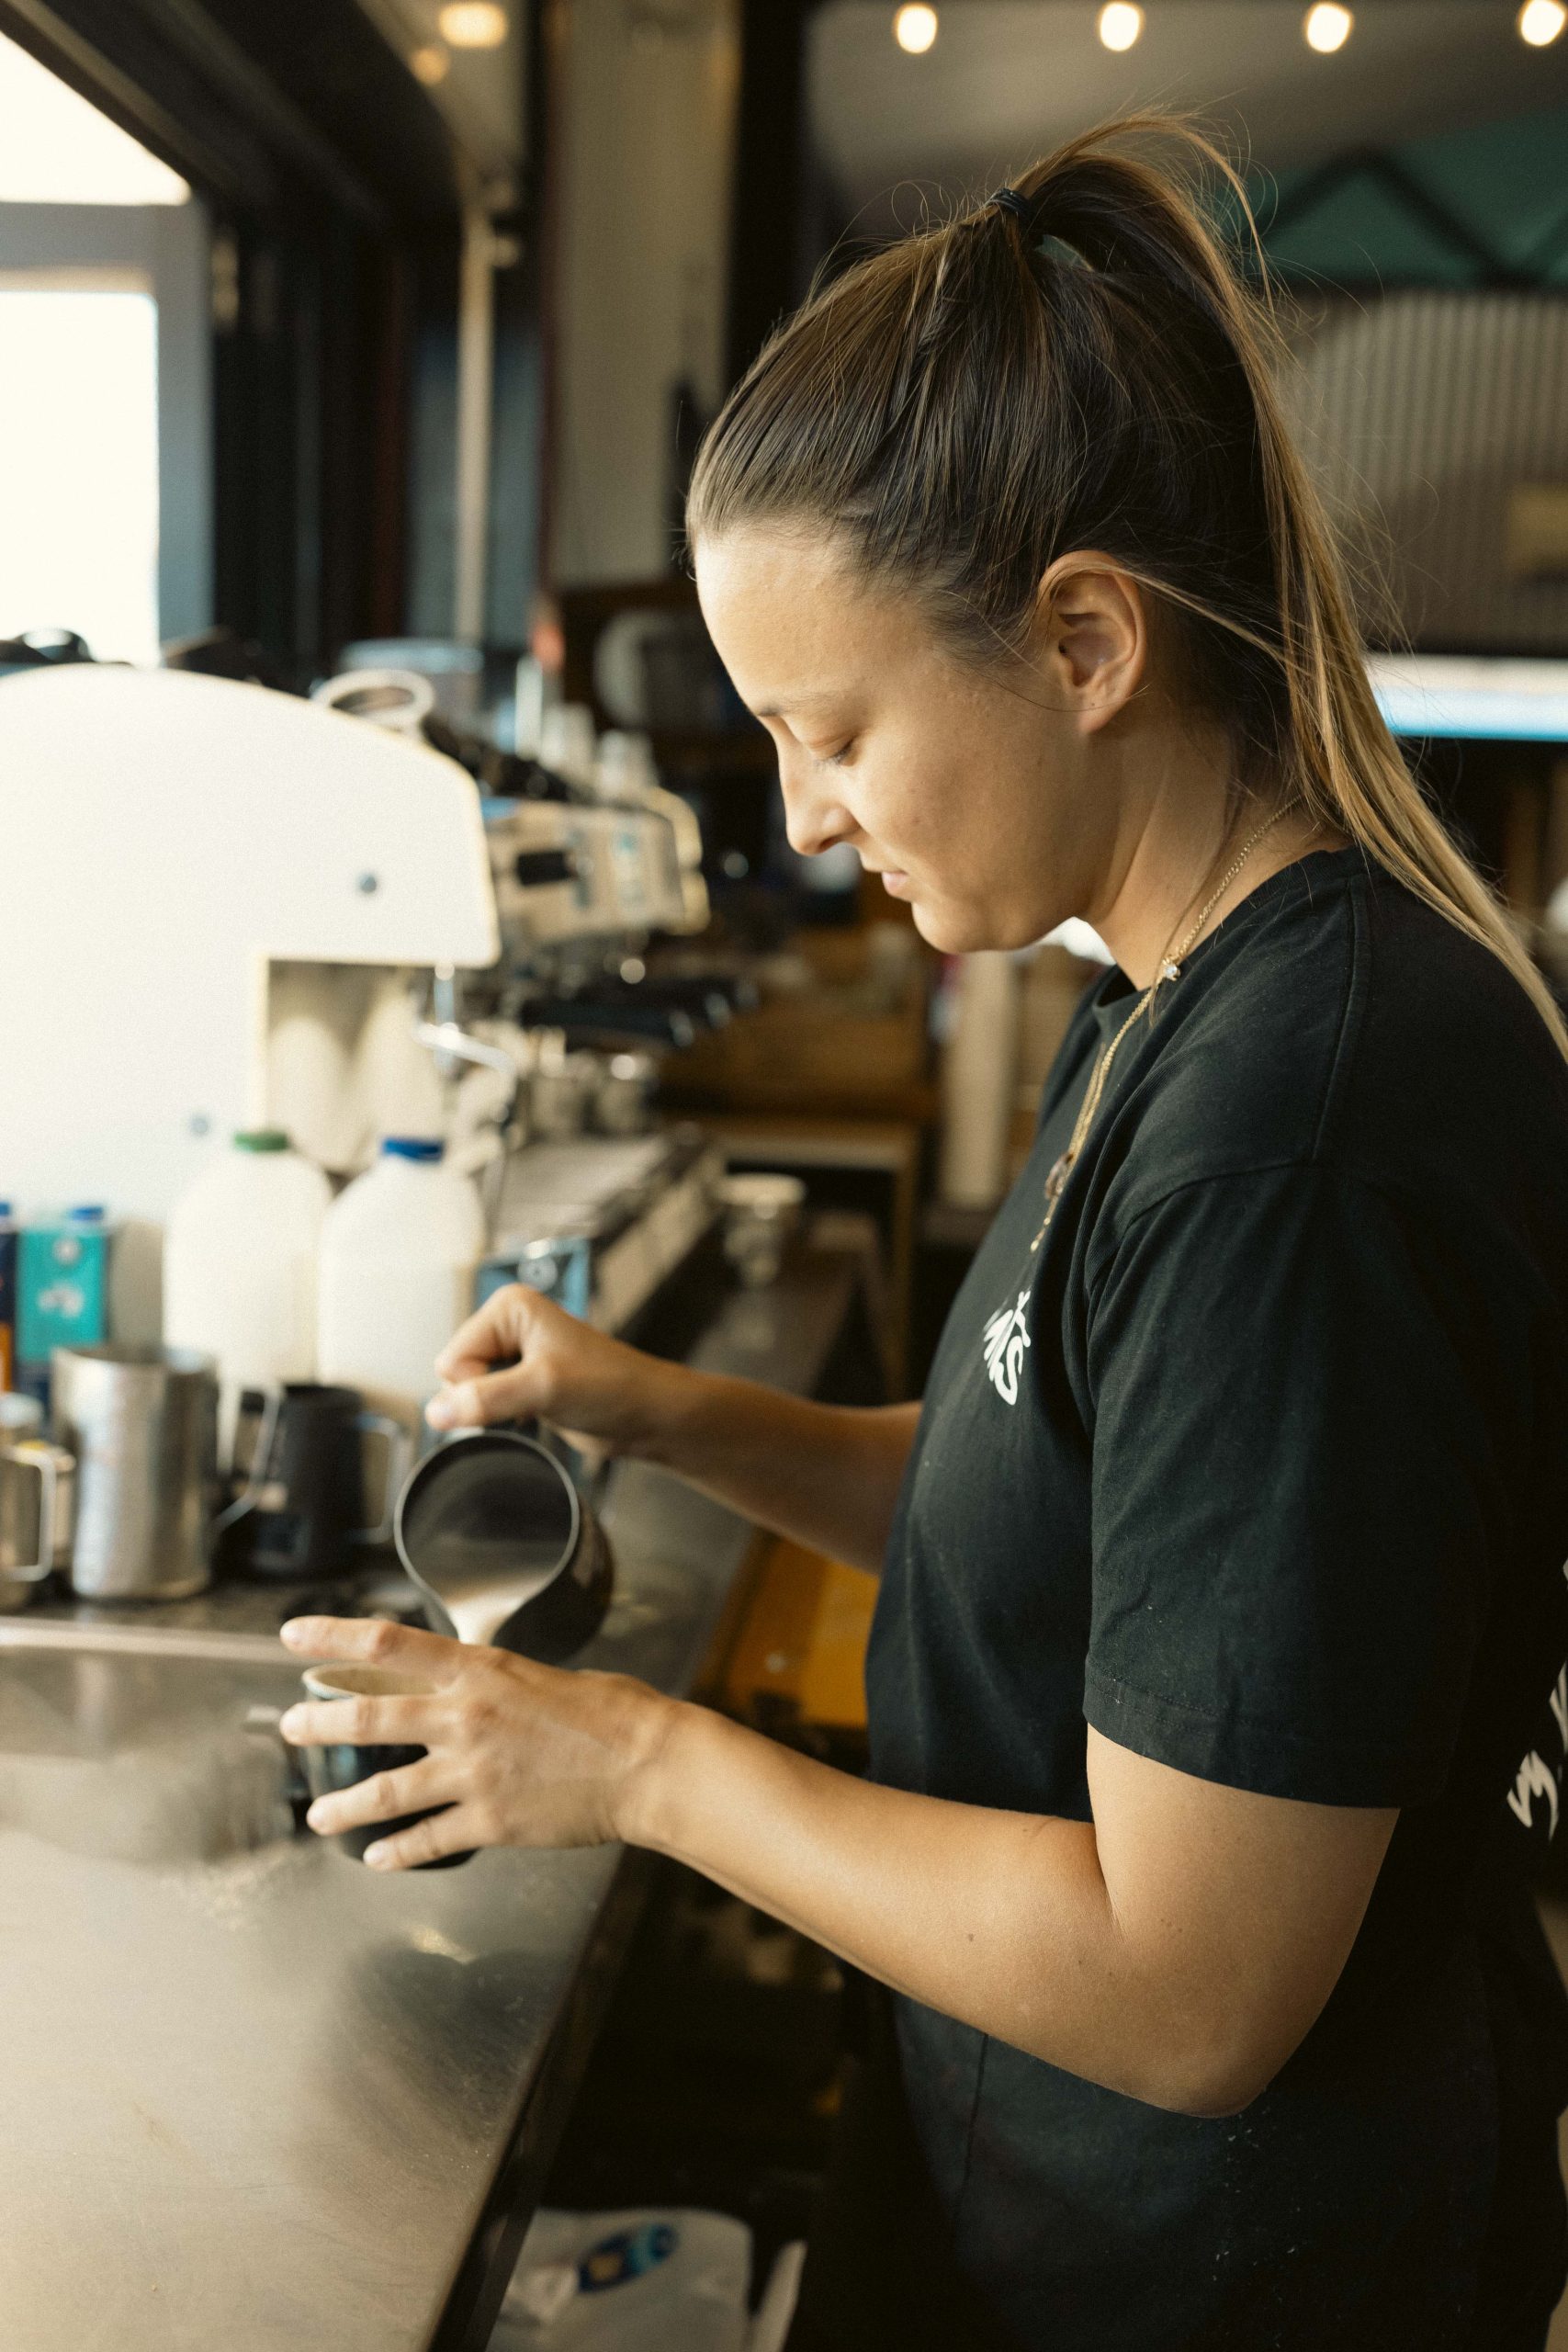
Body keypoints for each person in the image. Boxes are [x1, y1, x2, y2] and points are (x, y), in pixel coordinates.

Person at [280, 119, 1568, 2350]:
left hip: (1222, 2274)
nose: (798, 811)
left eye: (830, 725)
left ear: (1080, 638)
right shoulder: (1160, 986)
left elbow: (1190, 1990)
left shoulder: (1303, 1124)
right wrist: (661, 1409)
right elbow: (1079, 1526)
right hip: (1036, 2195)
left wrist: (636, 1758)